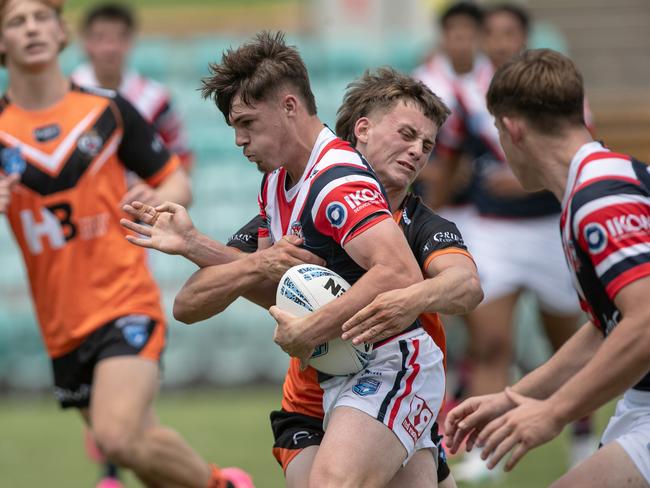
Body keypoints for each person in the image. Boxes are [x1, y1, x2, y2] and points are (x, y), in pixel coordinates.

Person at [122, 31, 469, 487]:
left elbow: (399, 271)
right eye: (233, 127)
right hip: (333, 375)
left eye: (246, 123)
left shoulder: (337, 179)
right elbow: (255, 289)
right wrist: (194, 245)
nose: (239, 140)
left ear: (289, 106)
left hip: (391, 364)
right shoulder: (276, 185)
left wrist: (314, 327)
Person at [0, 1, 251, 487]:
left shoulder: (107, 110)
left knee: (115, 439)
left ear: (60, 34)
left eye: (40, 17)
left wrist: (158, 198)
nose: (30, 27)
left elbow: (178, 182)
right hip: (61, 324)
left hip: (123, 301)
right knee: (139, 450)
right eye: (15, 20)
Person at [445, 48, 650, 488]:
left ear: (512, 129)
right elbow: (608, 327)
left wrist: (553, 413)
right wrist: (513, 399)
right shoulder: (592, 185)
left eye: (498, 130)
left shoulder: (600, 196)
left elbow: (645, 321)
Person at [431, 4, 594, 478]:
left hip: (548, 231)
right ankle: (487, 451)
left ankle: (582, 434)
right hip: (493, 230)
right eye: (492, 34)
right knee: (489, 344)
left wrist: (531, 181)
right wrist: (431, 216)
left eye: (510, 33)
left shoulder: (557, 90)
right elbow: (448, 157)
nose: (500, 42)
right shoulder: (464, 91)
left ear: (525, 36)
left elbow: (577, 154)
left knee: (566, 343)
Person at [72, 2, 193, 208]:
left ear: (130, 42)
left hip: (142, 217)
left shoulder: (156, 98)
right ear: (86, 43)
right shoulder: (69, 96)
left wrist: (159, 194)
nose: (110, 48)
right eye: (100, 38)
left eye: (119, 38)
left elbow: (182, 157)